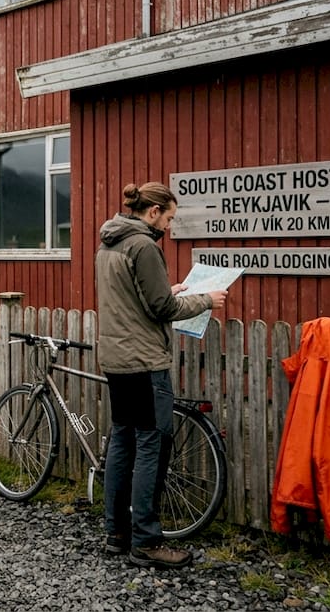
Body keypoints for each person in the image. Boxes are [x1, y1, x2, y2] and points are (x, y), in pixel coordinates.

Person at [95, 182, 227, 569]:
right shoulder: (144, 245)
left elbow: (131, 298)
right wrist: (206, 299)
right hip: (145, 362)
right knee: (151, 445)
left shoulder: (109, 243)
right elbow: (161, 307)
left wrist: (167, 290)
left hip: (116, 359)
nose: (168, 226)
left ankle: (116, 533)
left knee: (122, 442)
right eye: (168, 218)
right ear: (153, 212)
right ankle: (147, 542)